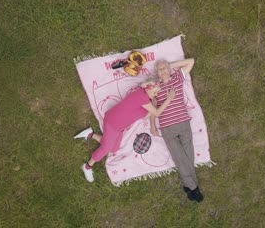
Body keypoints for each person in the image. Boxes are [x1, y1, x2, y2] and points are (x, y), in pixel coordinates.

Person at [74, 79, 176, 182]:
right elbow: (157, 113)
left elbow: (146, 115)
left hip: (119, 127)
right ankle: (87, 166)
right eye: (155, 92)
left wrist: (153, 106)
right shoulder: (142, 97)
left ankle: (91, 134)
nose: (155, 95)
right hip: (112, 122)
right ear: (148, 89)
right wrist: (169, 99)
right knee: (106, 147)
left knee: (113, 149)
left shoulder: (143, 97)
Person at [149, 58, 205, 203]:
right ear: (157, 73)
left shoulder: (177, 78)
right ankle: (193, 188)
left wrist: (170, 66)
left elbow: (191, 62)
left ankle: (189, 185)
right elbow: (152, 109)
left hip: (183, 123)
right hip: (167, 128)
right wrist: (153, 125)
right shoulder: (155, 86)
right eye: (160, 69)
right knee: (179, 157)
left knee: (188, 155)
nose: (163, 71)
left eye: (165, 68)